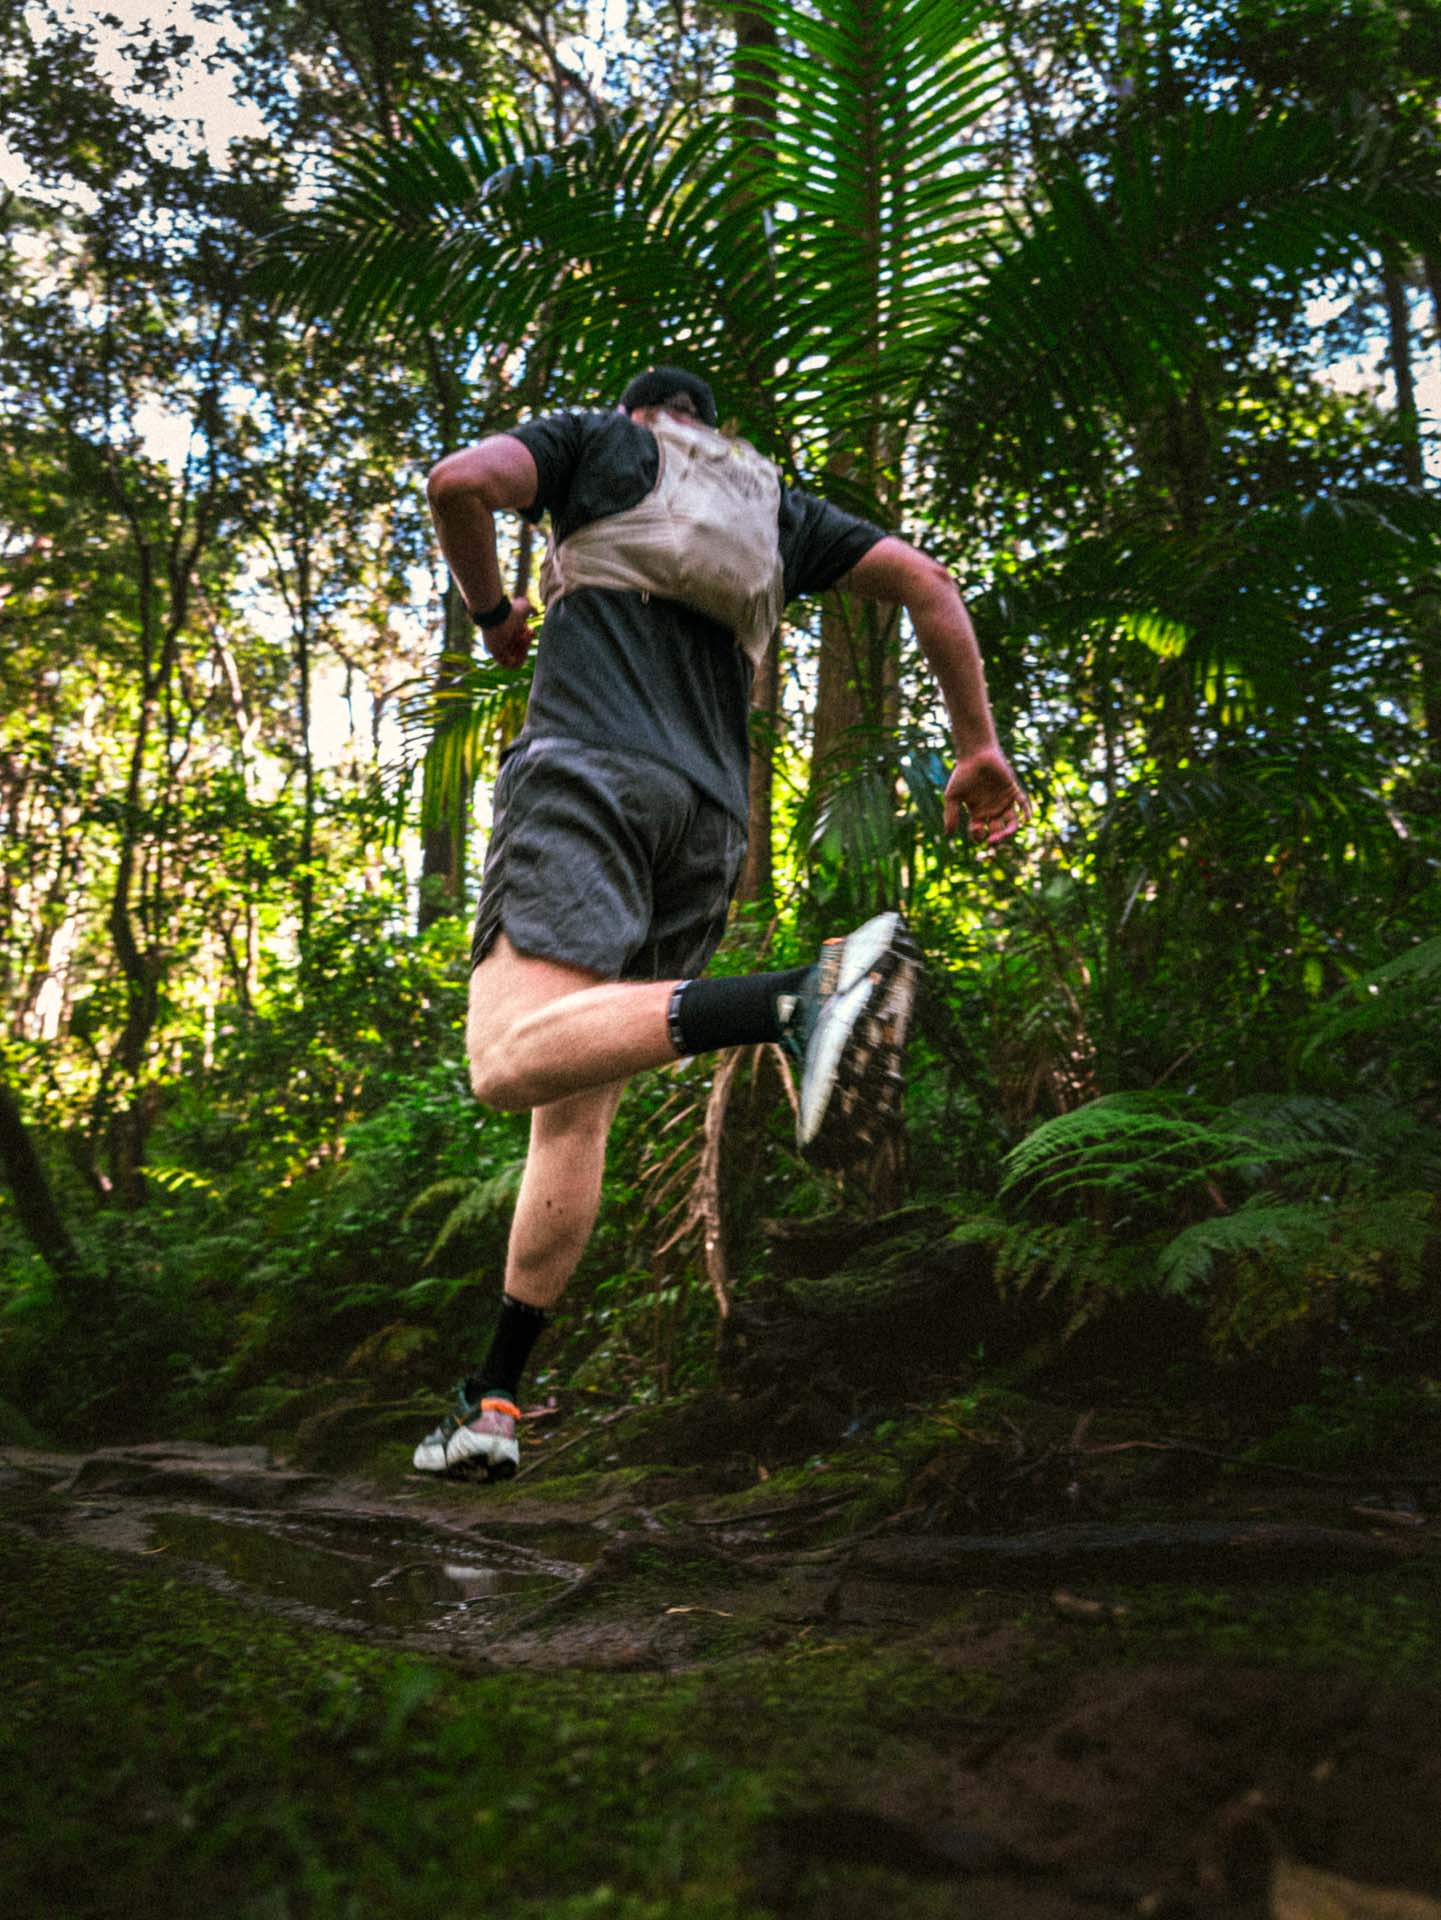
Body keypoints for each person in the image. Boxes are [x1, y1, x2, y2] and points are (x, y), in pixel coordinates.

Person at [413, 367, 1027, 1479]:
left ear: (644, 413)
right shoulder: (773, 505)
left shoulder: (598, 441)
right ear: (711, 428)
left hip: (587, 781)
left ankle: (797, 999)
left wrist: (495, 613)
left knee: (506, 1059)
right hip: (705, 823)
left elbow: (459, 483)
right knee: (570, 1112)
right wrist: (978, 745)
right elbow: (929, 585)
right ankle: (493, 1399)